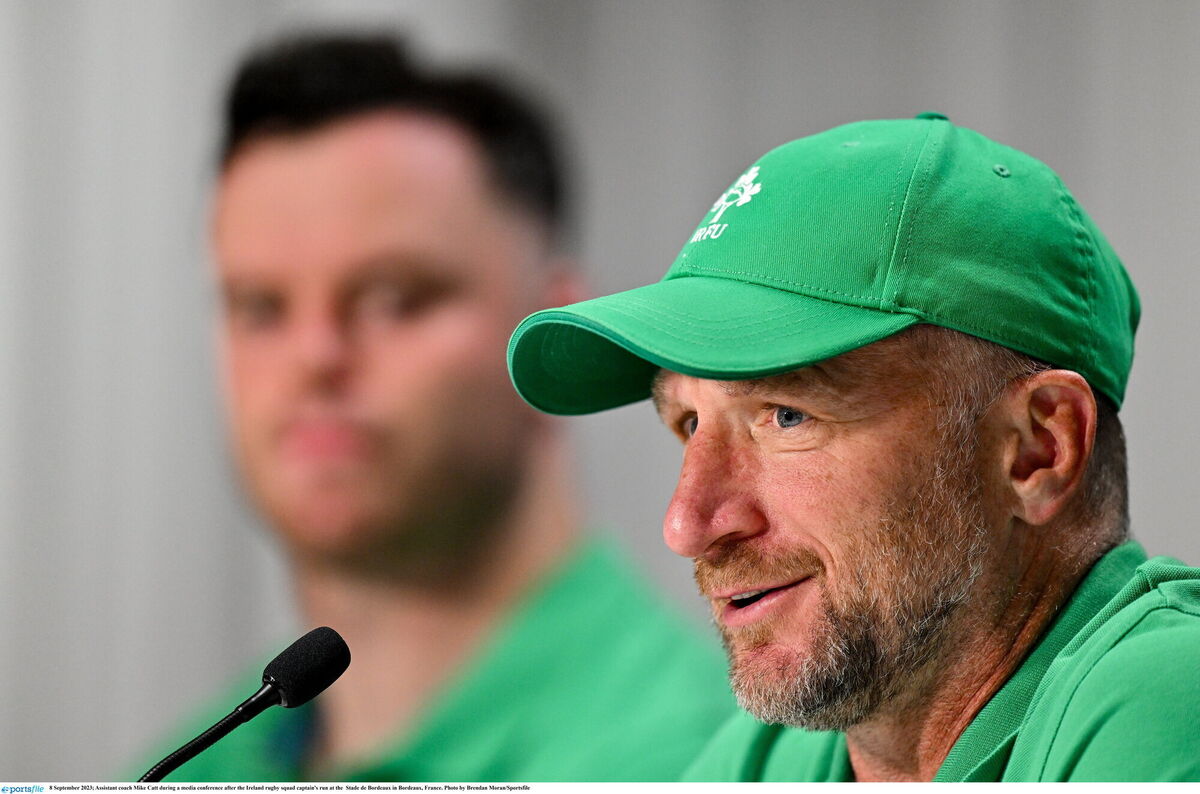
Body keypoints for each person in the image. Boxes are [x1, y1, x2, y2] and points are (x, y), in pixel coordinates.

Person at [507, 113, 1200, 782]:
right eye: (688, 424)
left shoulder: (1168, 700)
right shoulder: (775, 758)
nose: (687, 525)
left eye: (785, 416)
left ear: (1035, 450)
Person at [136, 33, 731, 782]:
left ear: (555, 337)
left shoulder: (707, 763)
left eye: (393, 298)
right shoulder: (190, 766)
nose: (314, 354)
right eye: (261, 307)